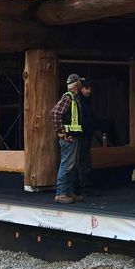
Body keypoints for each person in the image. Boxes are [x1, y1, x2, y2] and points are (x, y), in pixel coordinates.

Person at [50, 73, 85, 204]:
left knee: (72, 165)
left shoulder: (73, 98)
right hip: (68, 138)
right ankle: (61, 193)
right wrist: (61, 131)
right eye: (80, 83)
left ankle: (69, 192)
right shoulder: (68, 98)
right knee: (66, 165)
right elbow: (55, 112)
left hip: (73, 136)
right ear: (76, 85)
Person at [75, 80, 95, 191]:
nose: (89, 91)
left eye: (90, 89)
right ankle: (83, 185)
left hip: (86, 133)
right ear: (81, 88)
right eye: (87, 89)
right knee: (83, 160)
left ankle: (84, 184)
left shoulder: (86, 101)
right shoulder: (79, 101)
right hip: (81, 133)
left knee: (85, 159)